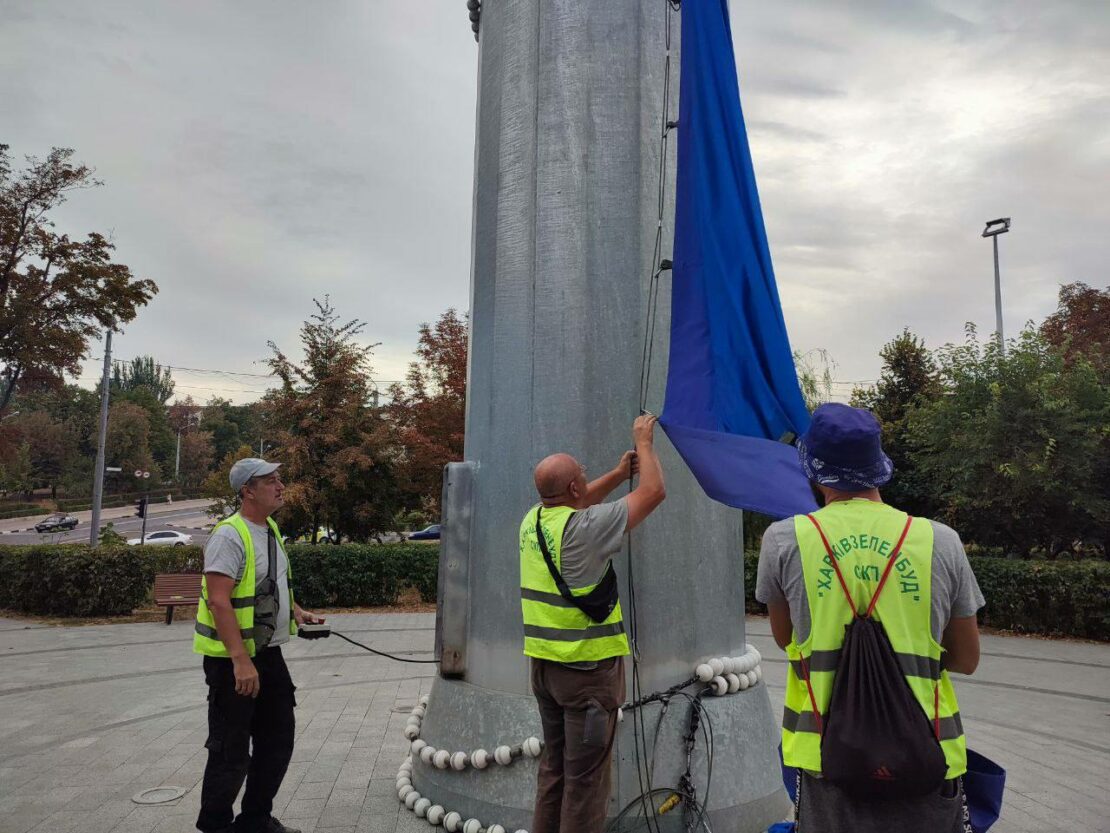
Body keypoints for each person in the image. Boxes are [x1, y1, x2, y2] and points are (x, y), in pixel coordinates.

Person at [756, 403, 985, 833]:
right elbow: (967, 659)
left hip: (826, 757)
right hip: (930, 753)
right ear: (878, 467)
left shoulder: (784, 541)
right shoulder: (942, 541)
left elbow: (785, 638)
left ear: (815, 471)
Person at [521, 414, 667, 833]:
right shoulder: (584, 530)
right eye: (582, 473)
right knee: (586, 785)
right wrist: (644, 443)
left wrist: (619, 475)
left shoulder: (532, 522)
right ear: (572, 488)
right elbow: (654, 492)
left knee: (554, 771)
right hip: (586, 675)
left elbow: (577, 501)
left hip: (545, 670)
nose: (586, 477)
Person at [194, 458, 324, 833]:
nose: (281, 486)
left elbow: (268, 584)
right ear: (247, 491)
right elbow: (219, 600)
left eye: (279, 479)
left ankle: (254, 820)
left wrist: (296, 612)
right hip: (232, 662)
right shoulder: (229, 535)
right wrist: (240, 661)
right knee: (230, 752)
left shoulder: (268, 528)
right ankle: (216, 826)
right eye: (271, 481)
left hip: (268, 655)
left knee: (277, 741)